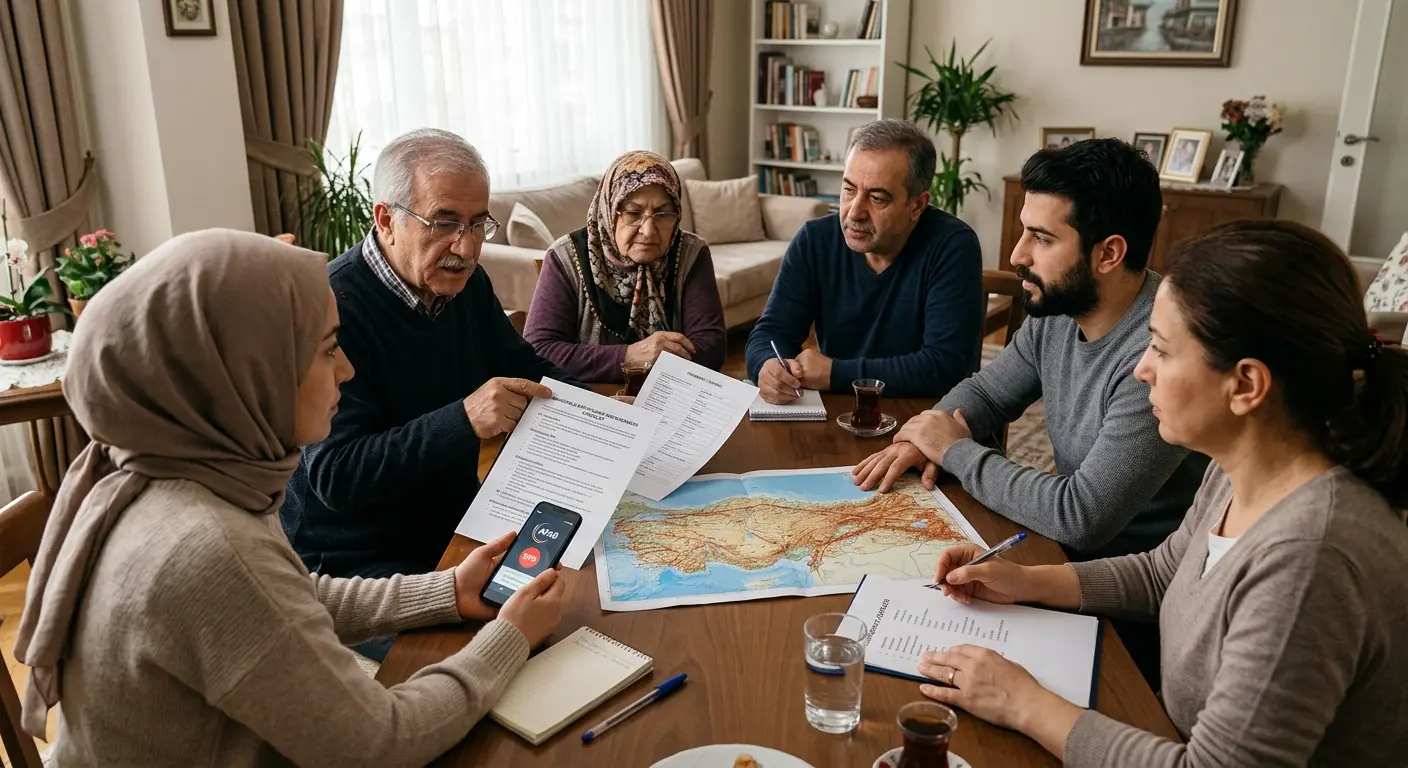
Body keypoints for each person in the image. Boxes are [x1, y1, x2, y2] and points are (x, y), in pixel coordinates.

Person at [13, 230, 566, 766]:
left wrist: (446, 590)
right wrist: (509, 636)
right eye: (328, 350)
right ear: (244, 372)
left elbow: (289, 597)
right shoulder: (206, 544)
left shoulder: (174, 474)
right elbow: (381, 743)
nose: (346, 370)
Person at [913, 220, 1408, 767]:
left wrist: (1025, 704)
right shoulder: (1241, 467)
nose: (1141, 370)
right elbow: (1163, 574)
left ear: (1245, 385)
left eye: (1163, 351)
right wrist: (1023, 581)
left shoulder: (1309, 558)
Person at [280, 128, 578, 660]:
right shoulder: (334, 308)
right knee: (489, 659)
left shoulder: (467, 283)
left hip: (453, 528)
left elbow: (527, 368)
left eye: (477, 224)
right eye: (444, 223)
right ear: (386, 219)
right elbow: (336, 477)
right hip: (354, 564)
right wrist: (463, 419)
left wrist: (603, 412)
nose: (465, 248)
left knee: (569, 613)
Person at [855, 138, 1206, 561]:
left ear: (1109, 253)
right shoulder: (1059, 311)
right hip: (1057, 552)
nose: (1016, 254)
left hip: (1121, 585)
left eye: (1041, 238)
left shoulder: (1157, 356)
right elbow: (987, 393)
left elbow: (1081, 516)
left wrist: (953, 451)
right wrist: (921, 440)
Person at [745, 118, 983, 402]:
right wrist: (767, 366)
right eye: (849, 190)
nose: (854, 212)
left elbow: (944, 367)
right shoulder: (815, 240)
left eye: (877, 198)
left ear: (917, 205)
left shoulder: (953, 246)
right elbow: (771, 333)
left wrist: (835, 373)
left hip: (925, 417)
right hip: (841, 410)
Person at [524, 150, 726, 382]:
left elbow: (712, 347)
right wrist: (629, 356)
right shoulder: (565, 257)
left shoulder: (691, 253)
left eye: (662, 214)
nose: (648, 231)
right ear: (610, 210)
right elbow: (538, 351)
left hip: (670, 399)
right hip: (591, 399)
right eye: (633, 213)